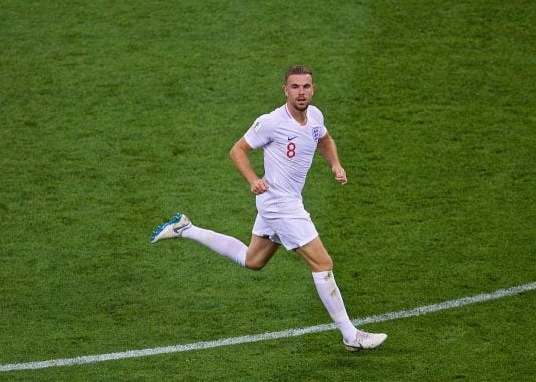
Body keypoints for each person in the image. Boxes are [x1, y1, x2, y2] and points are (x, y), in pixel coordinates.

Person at [151, 65, 387, 351]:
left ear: (313, 89)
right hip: (278, 203)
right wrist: (252, 179)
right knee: (322, 263)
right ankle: (351, 336)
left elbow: (324, 139)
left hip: (288, 201)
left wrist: (335, 164)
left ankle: (186, 228)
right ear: (285, 90)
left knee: (253, 260)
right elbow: (237, 150)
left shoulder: (315, 116)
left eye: (306, 86)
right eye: (295, 87)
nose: (301, 92)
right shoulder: (271, 122)